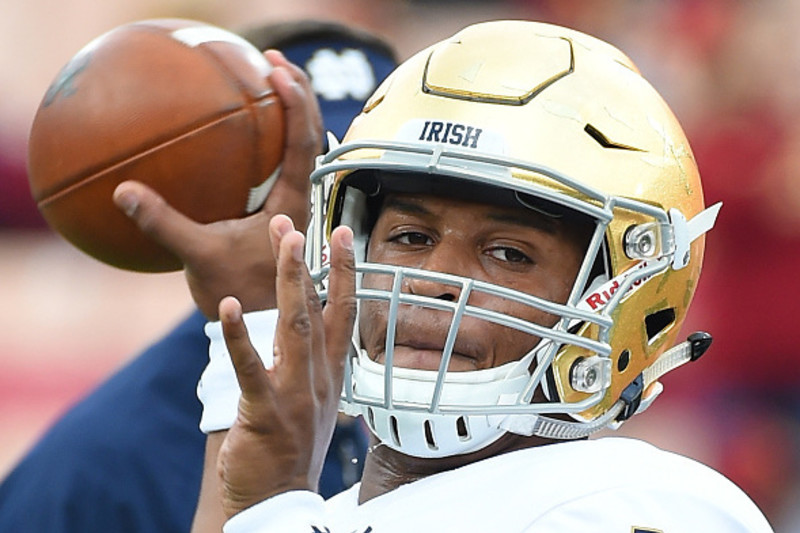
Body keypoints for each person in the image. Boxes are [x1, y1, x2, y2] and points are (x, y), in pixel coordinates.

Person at [114, 20, 774, 532]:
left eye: (509, 252)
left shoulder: (644, 501)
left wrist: (269, 497)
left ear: (624, 290)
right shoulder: (332, 506)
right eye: (410, 236)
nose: (436, 277)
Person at [0, 20, 397, 533]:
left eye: (372, 186)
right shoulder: (100, 465)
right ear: (219, 199)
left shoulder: (457, 395)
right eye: (307, 179)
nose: (339, 221)